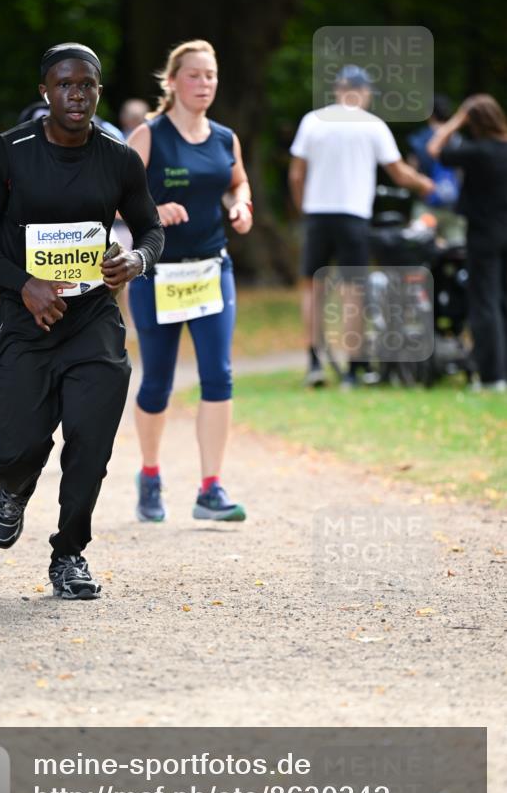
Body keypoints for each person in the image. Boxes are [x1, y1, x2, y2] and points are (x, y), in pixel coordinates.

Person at [0, 42, 164, 599]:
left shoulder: (119, 158)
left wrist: (136, 260)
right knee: (18, 448)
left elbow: (150, 228)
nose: (78, 94)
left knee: (90, 443)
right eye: (65, 84)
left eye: (88, 84)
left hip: (94, 318)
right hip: (26, 322)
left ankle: (69, 554)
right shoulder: (9, 151)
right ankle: (14, 486)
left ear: (98, 90)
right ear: (44, 91)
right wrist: (23, 285)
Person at [127, 39, 252, 524]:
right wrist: (152, 211)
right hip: (157, 273)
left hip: (210, 271)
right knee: (157, 381)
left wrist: (240, 205)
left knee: (218, 375)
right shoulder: (148, 136)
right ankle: (151, 475)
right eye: (195, 75)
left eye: (212, 76)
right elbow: (113, 197)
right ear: (173, 81)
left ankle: (210, 488)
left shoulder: (225, 138)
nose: (205, 84)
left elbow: (237, 181)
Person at [288, 65, 435, 388]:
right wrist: (424, 184)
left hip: (317, 215)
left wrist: (305, 209)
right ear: (363, 91)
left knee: (313, 289)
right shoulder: (372, 126)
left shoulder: (312, 122)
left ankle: (314, 361)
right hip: (353, 216)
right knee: (353, 290)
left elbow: (296, 173)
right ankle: (353, 369)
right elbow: (398, 173)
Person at [427, 94, 507, 391]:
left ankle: (492, 376)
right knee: (503, 302)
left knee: (484, 304)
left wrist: (456, 119)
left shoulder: (477, 152)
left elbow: (434, 148)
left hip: (483, 235)